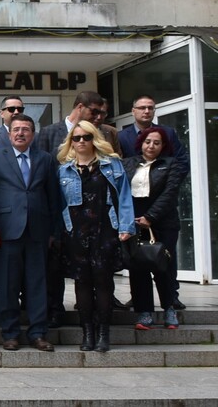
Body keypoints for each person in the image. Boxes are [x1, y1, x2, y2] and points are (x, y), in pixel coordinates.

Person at [56, 120, 135, 353]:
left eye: (86, 137)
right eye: (77, 138)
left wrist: (126, 227)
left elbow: (124, 198)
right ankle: (87, 332)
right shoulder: (64, 169)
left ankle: (103, 333)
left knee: (103, 282)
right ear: (71, 142)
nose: (81, 142)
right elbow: (59, 204)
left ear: (94, 139)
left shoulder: (111, 165)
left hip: (105, 229)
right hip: (75, 232)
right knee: (81, 283)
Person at [0, 114, 59, 352]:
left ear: (33, 134)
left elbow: (54, 198)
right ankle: (10, 333)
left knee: (37, 284)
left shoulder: (45, 159)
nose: (20, 133)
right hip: (6, 231)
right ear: (9, 133)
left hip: (38, 230)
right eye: (16, 129)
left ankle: (38, 333)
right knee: (7, 284)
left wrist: (53, 232)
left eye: (25, 129)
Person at [35, 90, 105, 328]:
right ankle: (55, 309)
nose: (98, 117)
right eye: (94, 111)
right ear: (79, 107)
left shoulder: (102, 134)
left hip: (92, 213)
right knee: (54, 265)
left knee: (93, 267)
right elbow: (40, 169)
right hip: (57, 210)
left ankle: (94, 310)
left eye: (101, 113)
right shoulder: (48, 133)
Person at [118, 94, 190, 309]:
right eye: (142, 108)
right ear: (133, 111)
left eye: (150, 107)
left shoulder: (167, 133)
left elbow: (181, 162)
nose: (146, 111)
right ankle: (139, 300)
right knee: (137, 258)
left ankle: (171, 298)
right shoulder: (122, 137)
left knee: (166, 258)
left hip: (162, 208)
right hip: (135, 211)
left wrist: (164, 183)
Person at [122, 126, 182, 330]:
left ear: (163, 146)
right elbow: (122, 192)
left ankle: (169, 309)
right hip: (135, 222)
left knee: (163, 266)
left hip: (163, 223)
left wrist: (150, 216)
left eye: (157, 142)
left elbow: (170, 193)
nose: (151, 146)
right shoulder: (129, 164)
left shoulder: (171, 164)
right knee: (138, 267)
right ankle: (144, 312)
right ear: (141, 143)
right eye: (148, 142)